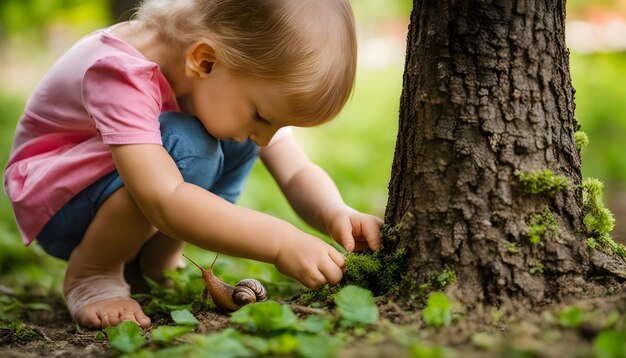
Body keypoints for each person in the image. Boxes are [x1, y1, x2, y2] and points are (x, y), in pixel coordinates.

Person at [3, 0, 382, 330]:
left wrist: (335, 212)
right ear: (205, 60)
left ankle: (154, 265)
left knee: (235, 142)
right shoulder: (121, 72)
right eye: (263, 117)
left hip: (117, 186)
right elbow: (163, 198)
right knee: (188, 143)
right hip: (59, 200)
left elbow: (295, 170)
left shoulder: (218, 75)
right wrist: (282, 243)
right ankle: (93, 273)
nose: (267, 137)